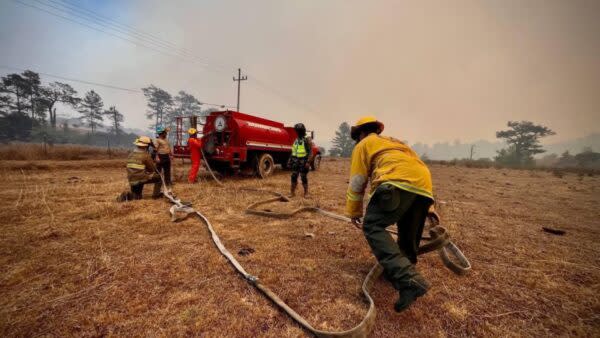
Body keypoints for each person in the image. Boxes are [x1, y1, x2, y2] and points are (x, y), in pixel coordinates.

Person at [346, 116, 435, 313]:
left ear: (360, 133)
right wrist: (429, 208)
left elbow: (358, 180)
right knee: (409, 232)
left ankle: (408, 280)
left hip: (395, 182)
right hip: (424, 186)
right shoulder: (395, 142)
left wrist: (354, 211)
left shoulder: (364, 144)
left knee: (373, 226)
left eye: (356, 137)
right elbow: (416, 166)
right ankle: (402, 271)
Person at [288, 123, 314, 197]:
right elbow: (293, 151)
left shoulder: (307, 139)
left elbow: (311, 152)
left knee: (303, 176)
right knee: (293, 176)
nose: (297, 132)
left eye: (299, 131)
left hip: (304, 161)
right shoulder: (296, 140)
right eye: (297, 131)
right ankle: (292, 193)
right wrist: (290, 160)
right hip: (295, 161)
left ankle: (306, 193)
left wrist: (308, 162)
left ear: (302, 131)